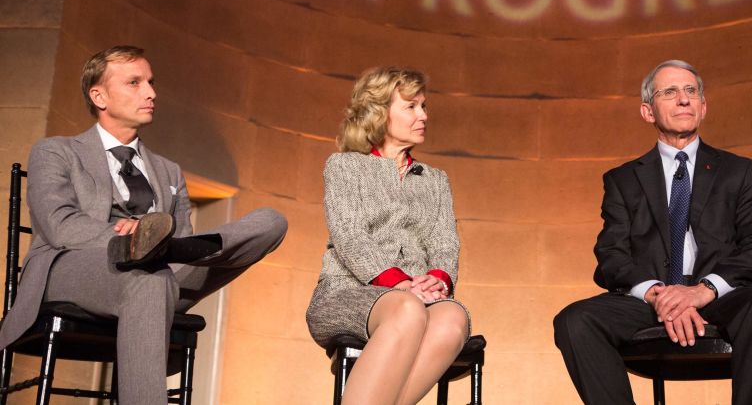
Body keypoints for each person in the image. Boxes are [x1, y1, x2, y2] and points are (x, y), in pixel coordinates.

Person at [0, 45, 287, 405]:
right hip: (75, 268)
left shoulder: (168, 171)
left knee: (271, 221)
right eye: (134, 83)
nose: (151, 93)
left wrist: (166, 248)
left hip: (163, 267)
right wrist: (127, 236)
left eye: (150, 82)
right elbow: (60, 226)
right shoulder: (57, 151)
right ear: (99, 95)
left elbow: (180, 230)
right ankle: (151, 250)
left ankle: (160, 249)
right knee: (151, 277)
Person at [554, 60, 752, 405]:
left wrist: (702, 290)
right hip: (651, 300)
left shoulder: (739, 172)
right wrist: (658, 294)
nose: (683, 100)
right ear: (647, 112)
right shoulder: (622, 180)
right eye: (670, 92)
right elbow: (611, 257)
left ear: (703, 106)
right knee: (575, 321)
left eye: (691, 91)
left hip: (720, 296)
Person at [306, 66, 469, 405]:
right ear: (379, 113)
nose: (423, 115)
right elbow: (350, 236)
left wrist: (435, 283)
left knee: (453, 317)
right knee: (408, 309)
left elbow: (444, 244)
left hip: (417, 297)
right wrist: (400, 283)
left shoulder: (435, 180)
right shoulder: (344, 166)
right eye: (411, 106)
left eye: (423, 106)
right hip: (347, 292)